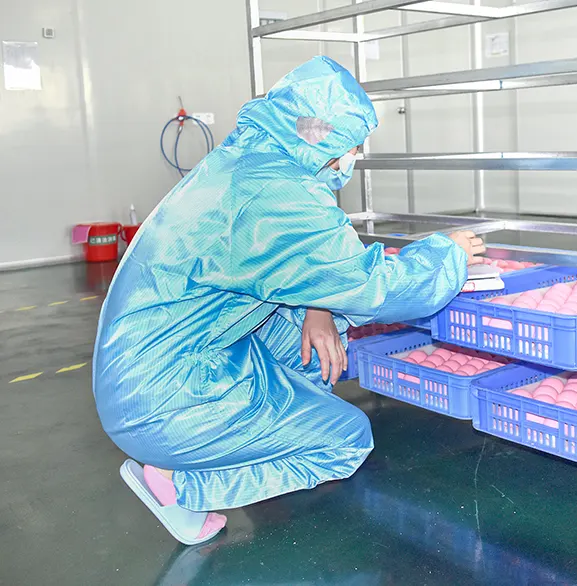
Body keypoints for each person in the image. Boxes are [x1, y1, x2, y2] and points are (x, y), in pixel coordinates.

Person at [92, 56, 485, 545]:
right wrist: (448, 253)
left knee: (322, 326)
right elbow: (373, 288)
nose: (354, 156)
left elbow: (296, 262)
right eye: (353, 144)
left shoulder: (253, 160)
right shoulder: (280, 196)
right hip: (164, 398)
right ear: (323, 134)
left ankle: (271, 419)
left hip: (154, 361)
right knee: (345, 440)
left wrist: (319, 308)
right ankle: (178, 481)